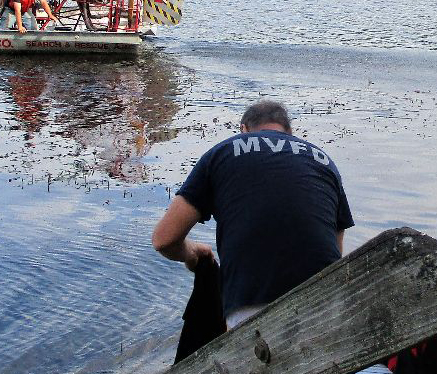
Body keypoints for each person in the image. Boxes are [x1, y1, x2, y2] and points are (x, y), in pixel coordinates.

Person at [152, 100, 355, 329]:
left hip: (250, 308)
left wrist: (192, 255)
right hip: (325, 305)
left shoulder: (223, 152)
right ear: (289, 132)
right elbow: (334, 256)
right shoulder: (325, 162)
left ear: (244, 130)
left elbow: (164, 239)